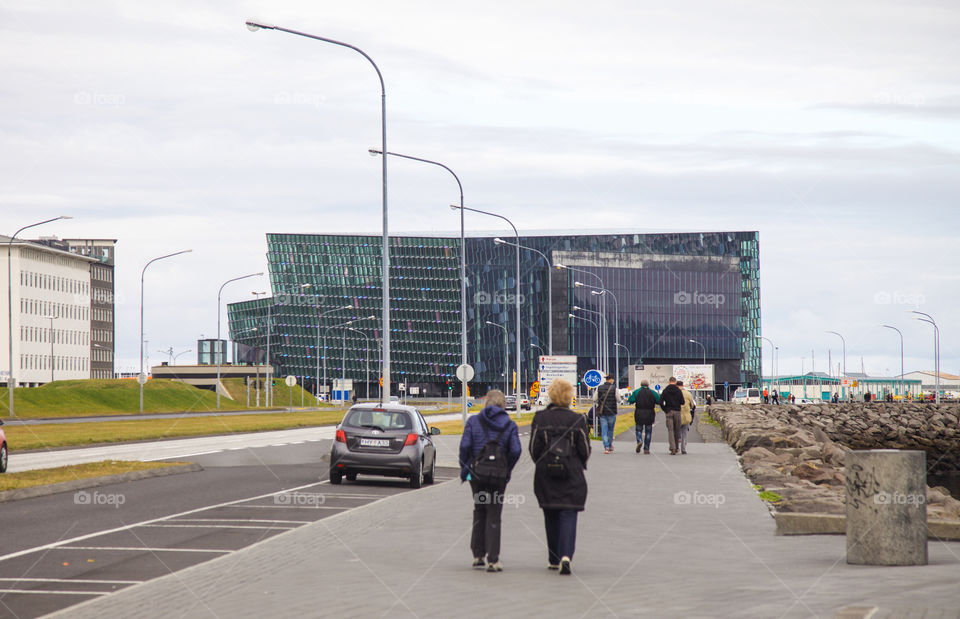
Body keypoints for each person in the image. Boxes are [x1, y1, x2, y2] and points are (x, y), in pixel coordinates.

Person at [529, 378, 590, 575]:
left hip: (546, 475)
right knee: (568, 513)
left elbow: (533, 449)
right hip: (572, 475)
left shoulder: (540, 418)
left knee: (550, 514)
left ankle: (553, 558)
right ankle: (566, 556)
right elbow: (585, 450)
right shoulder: (578, 420)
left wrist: (543, 464)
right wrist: (578, 464)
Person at [458, 390, 522, 572]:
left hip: (476, 474)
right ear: (503, 406)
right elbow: (516, 450)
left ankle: (478, 555)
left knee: (479, 509)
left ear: (486, 404)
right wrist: (506, 469)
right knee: (494, 513)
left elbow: (465, 446)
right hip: (498, 476)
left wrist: (466, 468)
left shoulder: (473, 422)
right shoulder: (509, 425)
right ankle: (493, 560)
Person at [627, 380, 659, 454]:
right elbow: (658, 401)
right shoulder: (653, 392)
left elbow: (630, 400)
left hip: (639, 412)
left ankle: (639, 440)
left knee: (638, 429)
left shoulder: (636, 392)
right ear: (648, 385)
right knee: (648, 431)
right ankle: (646, 448)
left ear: (640, 385)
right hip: (650, 412)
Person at [659, 377, 685, 455]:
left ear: (669, 381)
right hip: (677, 411)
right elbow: (682, 402)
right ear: (675, 382)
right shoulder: (678, 391)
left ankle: (672, 448)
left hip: (669, 411)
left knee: (670, 430)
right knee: (677, 430)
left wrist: (665, 410)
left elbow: (660, 402)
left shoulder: (665, 390)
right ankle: (677, 447)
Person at [595, 374, 619, 454]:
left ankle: (606, 447)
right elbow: (618, 399)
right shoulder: (614, 388)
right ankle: (609, 444)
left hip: (602, 412)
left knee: (604, 430)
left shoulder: (599, 388)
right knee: (610, 430)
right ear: (611, 380)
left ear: (606, 379)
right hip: (612, 412)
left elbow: (594, 399)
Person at [677, 380, 696, 455]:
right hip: (686, 415)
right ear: (683, 385)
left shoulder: (675, 393)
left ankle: (676, 446)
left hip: (677, 414)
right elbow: (692, 405)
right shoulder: (688, 394)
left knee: (676, 431)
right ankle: (683, 448)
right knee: (684, 432)